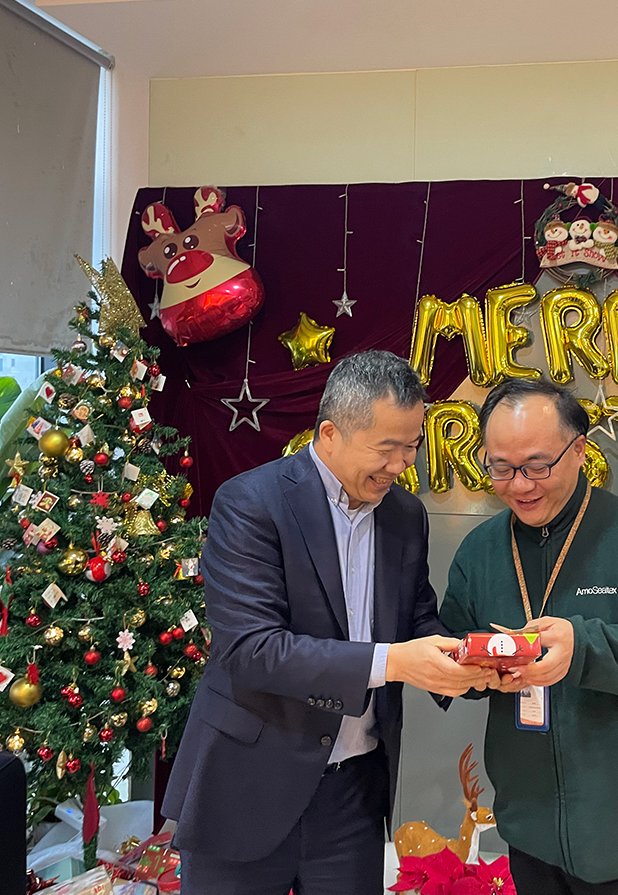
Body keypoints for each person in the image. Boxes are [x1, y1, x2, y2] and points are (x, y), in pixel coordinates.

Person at [163, 350, 493, 895]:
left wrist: (467, 660)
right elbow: (252, 650)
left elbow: (415, 620)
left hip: (353, 795)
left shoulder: (405, 515)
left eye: (412, 446)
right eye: (386, 448)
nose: (402, 465)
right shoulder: (252, 503)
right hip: (248, 783)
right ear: (331, 433)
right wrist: (395, 662)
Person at [439, 378, 618, 894]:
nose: (520, 485)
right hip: (529, 833)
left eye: (537, 465)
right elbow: (452, 644)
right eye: (501, 468)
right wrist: (470, 671)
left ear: (580, 450)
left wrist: (582, 649)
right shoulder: (479, 552)